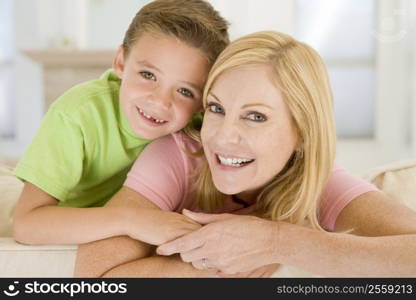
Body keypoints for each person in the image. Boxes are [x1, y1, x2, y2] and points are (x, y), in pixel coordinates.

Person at [74, 30, 416, 277]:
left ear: (303, 135)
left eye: (256, 116)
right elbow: (93, 275)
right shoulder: (177, 156)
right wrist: (215, 264)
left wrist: (278, 242)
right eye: (216, 108)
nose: (223, 137)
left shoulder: (316, 181)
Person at [11, 0, 229, 245]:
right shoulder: (78, 114)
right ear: (121, 63)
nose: (159, 101)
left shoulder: (204, 126)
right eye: (148, 75)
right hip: (68, 220)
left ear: (203, 101)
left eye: (185, 91)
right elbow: (25, 224)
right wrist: (131, 220)